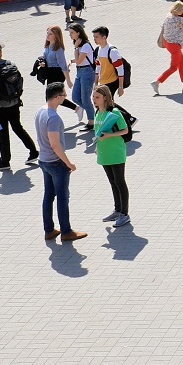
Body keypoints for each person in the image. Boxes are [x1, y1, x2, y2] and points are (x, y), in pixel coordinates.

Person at [35, 82, 84, 243]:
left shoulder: (40, 111)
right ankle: (66, 231)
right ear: (57, 97)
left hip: (43, 160)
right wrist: (68, 163)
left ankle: (49, 230)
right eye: (64, 95)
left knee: (48, 196)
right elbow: (55, 144)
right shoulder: (54, 118)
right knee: (62, 197)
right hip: (55, 162)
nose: (65, 97)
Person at [0, 42, 36, 170]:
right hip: (15, 103)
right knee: (18, 128)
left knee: (3, 134)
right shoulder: (11, 64)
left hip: (0, 106)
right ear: (0, 52)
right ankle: (33, 152)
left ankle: (5, 162)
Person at [91, 85, 130, 227]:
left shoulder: (114, 112)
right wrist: (97, 146)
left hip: (116, 151)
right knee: (112, 182)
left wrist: (109, 135)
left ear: (105, 98)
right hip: (104, 152)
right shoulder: (97, 112)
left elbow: (125, 130)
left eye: (97, 97)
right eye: (93, 97)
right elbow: (97, 132)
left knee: (120, 181)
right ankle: (117, 210)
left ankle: (124, 214)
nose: (94, 100)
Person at [152, 1, 183, 94]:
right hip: (174, 45)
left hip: (167, 42)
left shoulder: (168, 16)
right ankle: (157, 82)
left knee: (182, 62)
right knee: (174, 67)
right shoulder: (178, 20)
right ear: (179, 10)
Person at [37, 26, 76, 117]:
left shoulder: (58, 49)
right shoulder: (47, 46)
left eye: (50, 34)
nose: (47, 35)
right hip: (50, 73)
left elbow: (63, 65)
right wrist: (41, 63)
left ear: (56, 35)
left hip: (57, 73)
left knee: (52, 97)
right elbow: (45, 58)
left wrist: (68, 80)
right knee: (53, 97)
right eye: (47, 33)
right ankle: (76, 108)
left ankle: (51, 116)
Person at [67, 24, 96, 129]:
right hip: (80, 72)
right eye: (69, 33)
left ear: (78, 33)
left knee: (85, 98)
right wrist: (71, 61)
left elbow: (79, 61)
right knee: (75, 97)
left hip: (87, 72)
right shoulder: (79, 44)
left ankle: (91, 121)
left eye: (72, 33)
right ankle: (93, 114)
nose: (70, 35)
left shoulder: (85, 45)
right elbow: (79, 60)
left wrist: (75, 48)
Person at [92, 26, 127, 102]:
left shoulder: (112, 51)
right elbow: (98, 67)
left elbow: (120, 69)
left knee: (106, 103)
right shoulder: (98, 50)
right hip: (102, 82)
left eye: (96, 37)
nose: (94, 39)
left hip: (112, 82)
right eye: (94, 37)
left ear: (104, 37)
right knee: (106, 104)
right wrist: (96, 83)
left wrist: (120, 87)